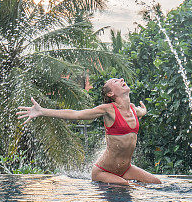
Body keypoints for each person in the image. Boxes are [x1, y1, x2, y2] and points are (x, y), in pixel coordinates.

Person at [16, 77, 161, 185]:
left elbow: (140, 112)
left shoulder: (133, 109)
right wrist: (42, 111)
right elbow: (76, 114)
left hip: (126, 168)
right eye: (116, 81)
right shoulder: (109, 110)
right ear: (110, 94)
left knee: (156, 182)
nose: (121, 79)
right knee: (128, 186)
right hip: (104, 171)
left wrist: (144, 111)